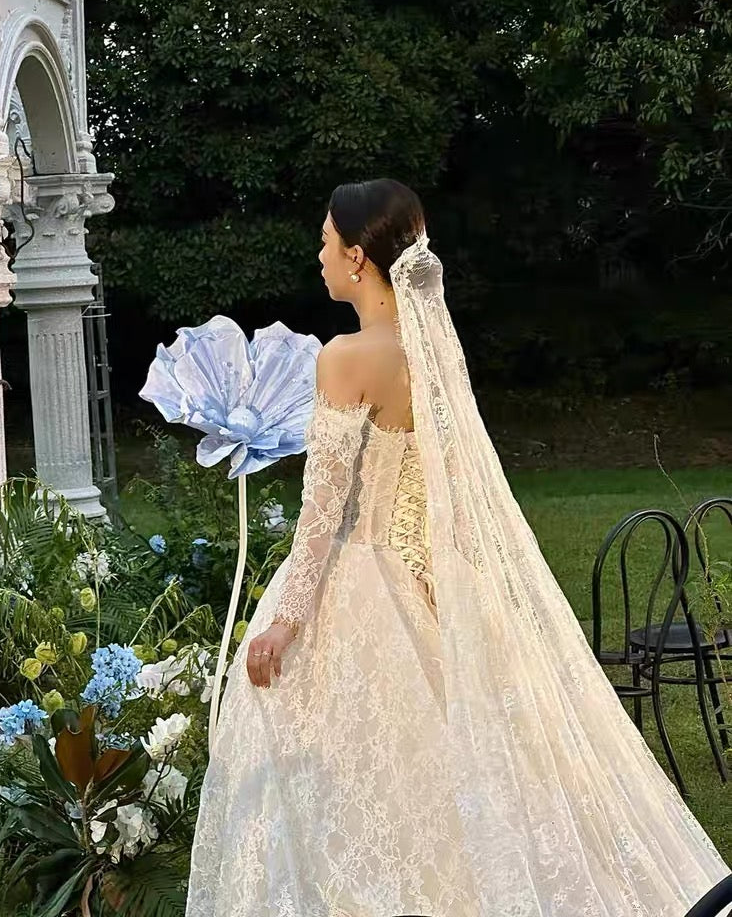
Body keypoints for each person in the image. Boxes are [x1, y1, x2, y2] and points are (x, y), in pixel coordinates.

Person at [185, 179, 730, 917]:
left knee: (339, 778)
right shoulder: (431, 351)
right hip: (420, 578)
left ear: (357, 257)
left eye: (325, 241)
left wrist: (286, 620)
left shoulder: (346, 357)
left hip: (357, 578)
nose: (318, 256)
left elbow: (322, 512)